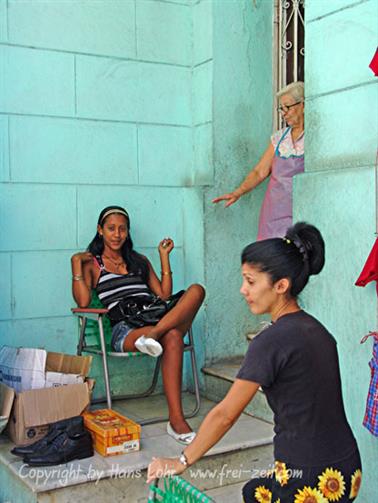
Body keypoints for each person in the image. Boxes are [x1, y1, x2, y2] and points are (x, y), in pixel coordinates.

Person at [147, 222, 362, 502]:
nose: (242, 290)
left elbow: (225, 414)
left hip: (309, 480)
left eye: (250, 281)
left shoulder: (270, 341)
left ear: (281, 285)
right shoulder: (318, 331)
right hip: (347, 468)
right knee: (253, 492)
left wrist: (181, 461)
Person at [71, 205, 205, 444]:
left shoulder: (139, 261)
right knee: (173, 336)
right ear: (100, 230)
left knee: (197, 290)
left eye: (122, 229)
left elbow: (163, 295)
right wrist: (75, 263)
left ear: (127, 232)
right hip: (126, 328)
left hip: (155, 317)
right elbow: (82, 301)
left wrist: (163, 257)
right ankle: (177, 421)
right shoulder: (93, 264)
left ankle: (154, 335)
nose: (117, 234)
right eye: (111, 228)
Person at [213, 81, 305, 241]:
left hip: (302, 210)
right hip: (274, 212)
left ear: (303, 105)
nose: (284, 113)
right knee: (271, 257)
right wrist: (238, 192)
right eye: (281, 108)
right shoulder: (279, 138)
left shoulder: (315, 138)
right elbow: (260, 171)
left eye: (287, 107)